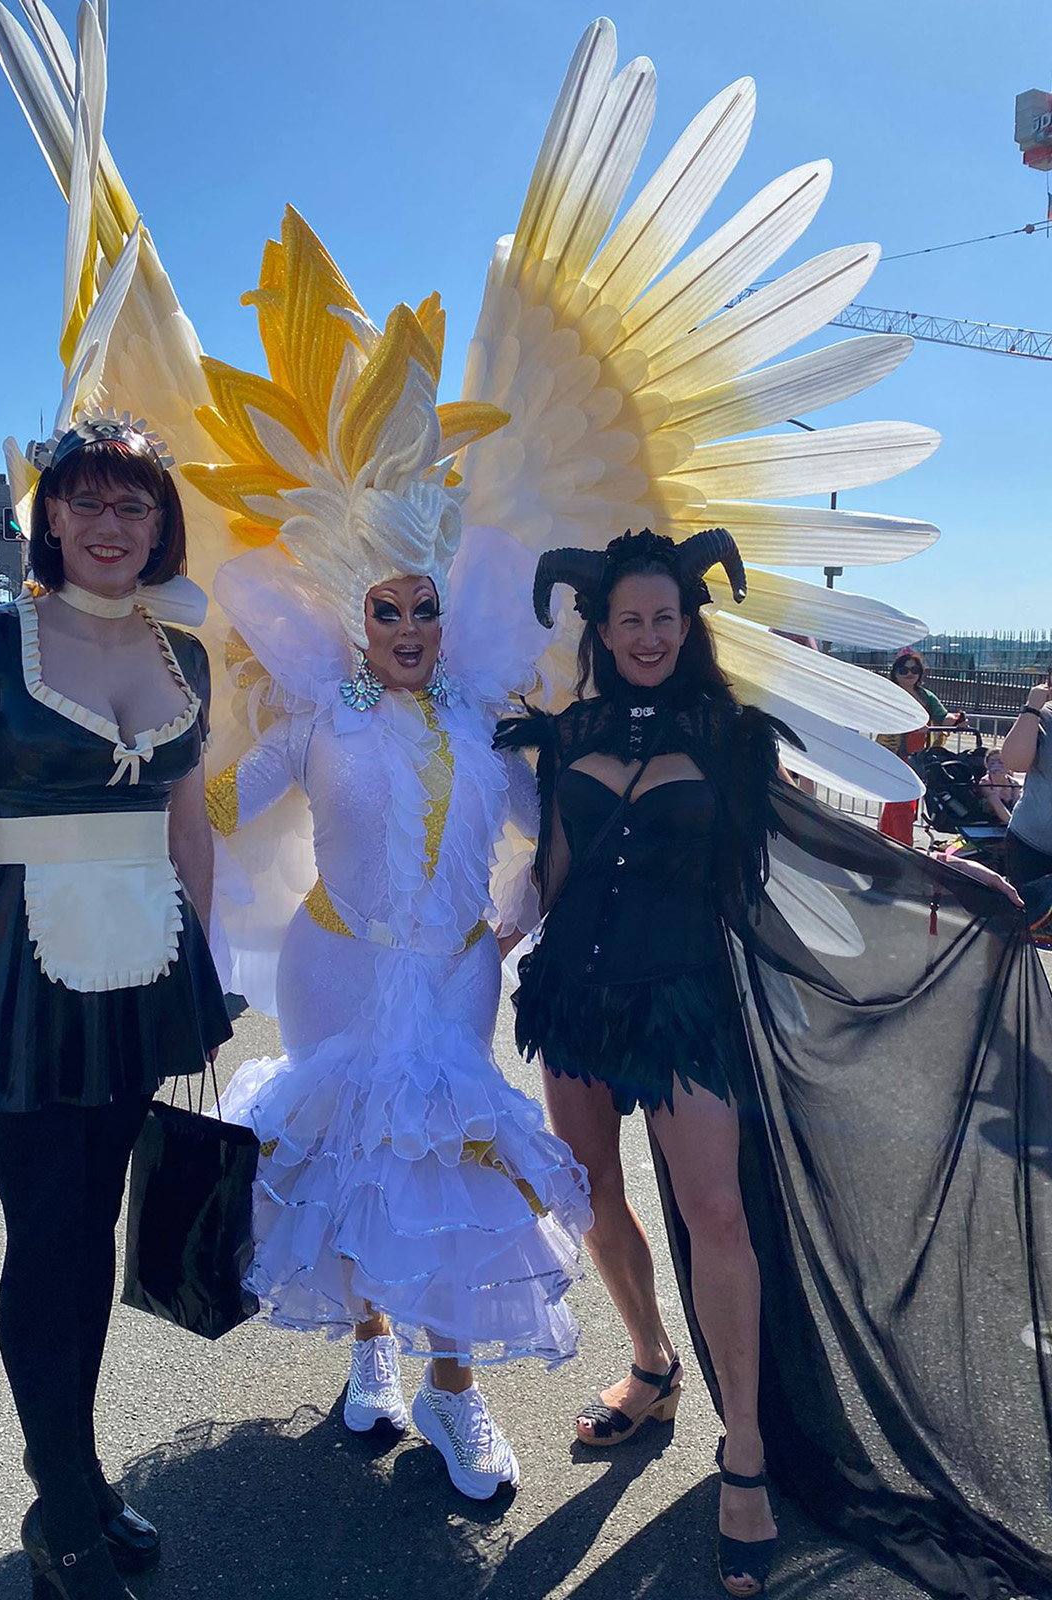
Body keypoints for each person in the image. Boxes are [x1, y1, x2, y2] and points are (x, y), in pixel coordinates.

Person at [498, 529, 1052, 1600]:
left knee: (716, 1213)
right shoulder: (567, 733)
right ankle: (652, 1364)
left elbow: (809, 841)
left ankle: (744, 1446)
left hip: (684, 995)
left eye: (666, 617)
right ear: (601, 632)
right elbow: (552, 868)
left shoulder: (729, 734)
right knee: (590, 1192)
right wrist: (468, 949)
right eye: (630, 621)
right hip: (575, 995)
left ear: (686, 625)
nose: (649, 635)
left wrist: (939, 875)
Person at [187, 219, 591, 1504]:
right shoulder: (313, 719)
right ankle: (374, 1349)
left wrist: (526, 901)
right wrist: (149, 736)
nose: (412, 628)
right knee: (361, 1152)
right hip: (337, 964)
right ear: (354, 613)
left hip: (461, 970)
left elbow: (548, 808)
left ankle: (456, 1387)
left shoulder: (480, 708)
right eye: (388, 609)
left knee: (449, 1156)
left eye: (425, 606)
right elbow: (216, 801)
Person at [0, 415, 231, 1600]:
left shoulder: (184, 654)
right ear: (48, 518)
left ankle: (76, 1482)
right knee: (48, 1239)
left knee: (92, 1235)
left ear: (159, 524)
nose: (107, 525)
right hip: (14, 978)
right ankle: (64, 1513)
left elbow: (190, 832)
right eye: (83, 502)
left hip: (144, 972)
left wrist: (207, 970)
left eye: (132, 505)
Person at [876, 650, 967, 847]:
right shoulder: (889, 696)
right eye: (904, 669)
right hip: (895, 756)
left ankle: (886, 840)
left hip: (920, 757)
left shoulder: (926, 696)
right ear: (895, 672)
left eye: (914, 669)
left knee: (905, 802)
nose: (910, 674)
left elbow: (943, 716)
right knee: (902, 803)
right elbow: (879, 719)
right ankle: (902, 844)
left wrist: (957, 720)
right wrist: (909, 725)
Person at [999, 671, 1052, 889]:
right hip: (1032, 845)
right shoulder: (1046, 715)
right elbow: (1014, 761)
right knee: (1027, 919)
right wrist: (1032, 708)